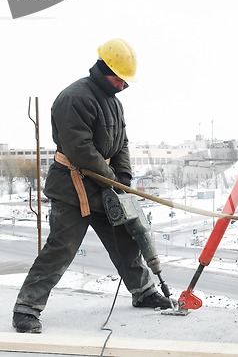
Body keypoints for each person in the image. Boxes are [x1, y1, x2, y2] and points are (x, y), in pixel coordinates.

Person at [12, 38, 173, 334]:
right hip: (72, 189)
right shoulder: (74, 98)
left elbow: (121, 143)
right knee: (61, 249)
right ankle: (26, 308)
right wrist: (111, 177)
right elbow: (80, 149)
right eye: (120, 79)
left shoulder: (114, 103)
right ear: (104, 69)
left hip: (103, 186)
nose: (124, 85)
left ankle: (144, 291)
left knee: (125, 240)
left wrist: (122, 177)